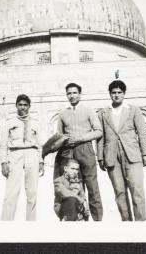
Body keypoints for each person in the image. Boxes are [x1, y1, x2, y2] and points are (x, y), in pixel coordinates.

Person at [97, 80, 146, 221]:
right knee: (119, 191)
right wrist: (100, 157)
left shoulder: (133, 110)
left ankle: (140, 224)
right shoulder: (103, 112)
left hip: (132, 155)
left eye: (119, 92)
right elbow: (100, 136)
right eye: (113, 93)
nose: (116, 95)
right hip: (112, 157)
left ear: (124, 93)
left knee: (136, 190)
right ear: (110, 94)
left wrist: (145, 153)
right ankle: (126, 222)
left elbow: (142, 133)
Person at [56, 82, 103, 221]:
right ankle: (79, 221)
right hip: (69, 153)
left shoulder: (88, 110)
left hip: (86, 150)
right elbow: (59, 136)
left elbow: (98, 131)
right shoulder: (62, 114)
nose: (72, 95)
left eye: (74, 92)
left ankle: (98, 221)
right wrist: (65, 142)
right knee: (74, 188)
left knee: (93, 187)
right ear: (66, 95)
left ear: (80, 94)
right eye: (69, 93)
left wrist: (81, 138)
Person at [1, 94, 44, 221]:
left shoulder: (35, 122)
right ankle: (6, 225)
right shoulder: (10, 122)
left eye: (25, 105)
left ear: (29, 106)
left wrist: (41, 161)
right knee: (11, 193)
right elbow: (2, 144)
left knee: (32, 193)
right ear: (16, 106)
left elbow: (40, 143)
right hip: (15, 154)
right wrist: (3, 162)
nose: (23, 107)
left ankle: (30, 225)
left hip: (32, 154)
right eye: (20, 104)